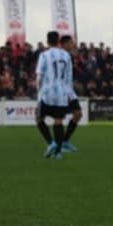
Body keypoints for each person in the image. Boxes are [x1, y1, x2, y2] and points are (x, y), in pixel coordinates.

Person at [35, 30, 75, 160]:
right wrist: (69, 93)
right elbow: (69, 77)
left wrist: (38, 93)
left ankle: (50, 143)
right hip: (62, 93)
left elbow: (39, 76)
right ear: (58, 41)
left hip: (47, 92)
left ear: (47, 42)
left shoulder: (44, 55)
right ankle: (58, 153)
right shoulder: (66, 55)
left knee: (38, 118)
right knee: (58, 121)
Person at [59, 34, 82, 154]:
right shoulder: (61, 56)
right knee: (60, 117)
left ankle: (65, 141)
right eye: (71, 42)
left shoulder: (69, 56)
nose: (73, 44)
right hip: (63, 90)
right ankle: (60, 144)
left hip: (69, 90)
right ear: (65, 43)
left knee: (77, 114)